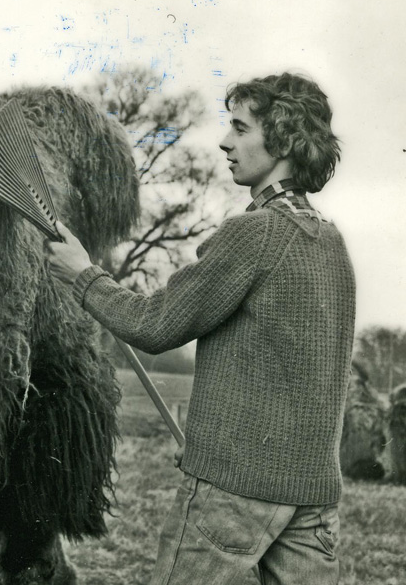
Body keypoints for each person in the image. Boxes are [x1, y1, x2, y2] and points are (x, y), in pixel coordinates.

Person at [44, 72, 355, 584]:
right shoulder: (331, 241)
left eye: (240, 128)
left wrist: (83, 275)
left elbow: (153, 325)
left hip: (235, 494)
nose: (225, 142)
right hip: (313, 497)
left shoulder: (255, 232)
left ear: (281, 140)